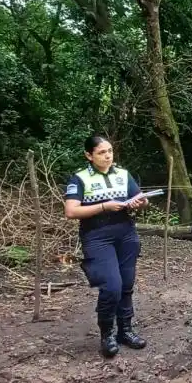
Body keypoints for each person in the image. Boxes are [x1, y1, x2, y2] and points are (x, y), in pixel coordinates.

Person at [64, 134, 149, 358]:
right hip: (97, 236)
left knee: (126, 285)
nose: (108, 155)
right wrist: (104, 207)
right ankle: (107, 334)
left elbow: (138, 198)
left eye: (110, 151)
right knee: (111, 286)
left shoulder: (123, 174)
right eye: (102, 152)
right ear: (89, 155)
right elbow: (71, 211)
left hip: (126, 233)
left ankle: (126, 330)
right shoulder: (79, 178)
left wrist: (141, 203)